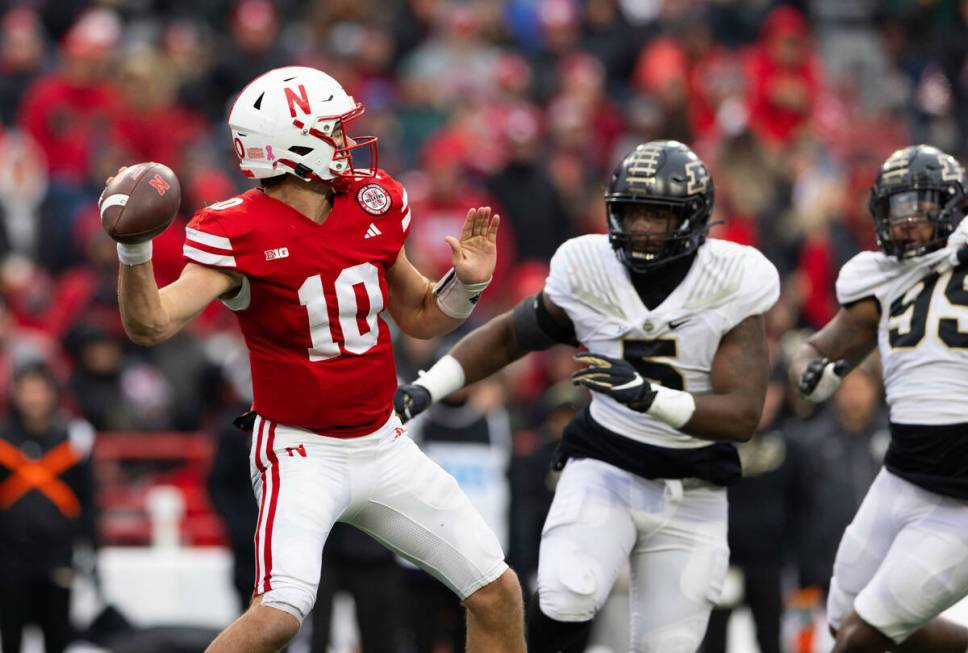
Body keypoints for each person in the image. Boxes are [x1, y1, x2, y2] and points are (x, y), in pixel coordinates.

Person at [104, 65, 524, 653]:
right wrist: (134, 247)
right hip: (301, 450)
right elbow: (150, 323)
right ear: (292, 145)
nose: (347, 141)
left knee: (497, 592)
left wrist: (467, 285)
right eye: (333, 129)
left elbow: (423, 316)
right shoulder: (238, 230)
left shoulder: (372, 203)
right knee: (279, 615)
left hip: (383, 441)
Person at [396, 140, 780, 652]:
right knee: (565, 591)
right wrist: (428, 386)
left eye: (657, 214)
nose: (641, 227)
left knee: (668, 647)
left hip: (694, 484)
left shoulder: (733, 277)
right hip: (607, 465)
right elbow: (513, 335)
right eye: (632, 212)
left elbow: (742, 416)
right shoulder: (588, 264)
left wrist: (649, 397)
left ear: (692, 218)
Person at [792, 144, 968, 653]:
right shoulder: (884, 278)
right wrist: (811, 373)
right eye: (896, 206)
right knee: (844, 624)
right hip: (903, 476)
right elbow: (813, 349)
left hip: (963, 495)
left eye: (921, 203)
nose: (907, 219)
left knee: (860, 638)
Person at [0, 361, 96, 653]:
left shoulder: (73, 441)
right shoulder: (2, 440)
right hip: (10, 559)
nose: (33, 397)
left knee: (58, 639)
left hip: (57, 556)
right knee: (11, 638)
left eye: (39, 389)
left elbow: (88, 500)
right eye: (26, 389)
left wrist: (92, 549)